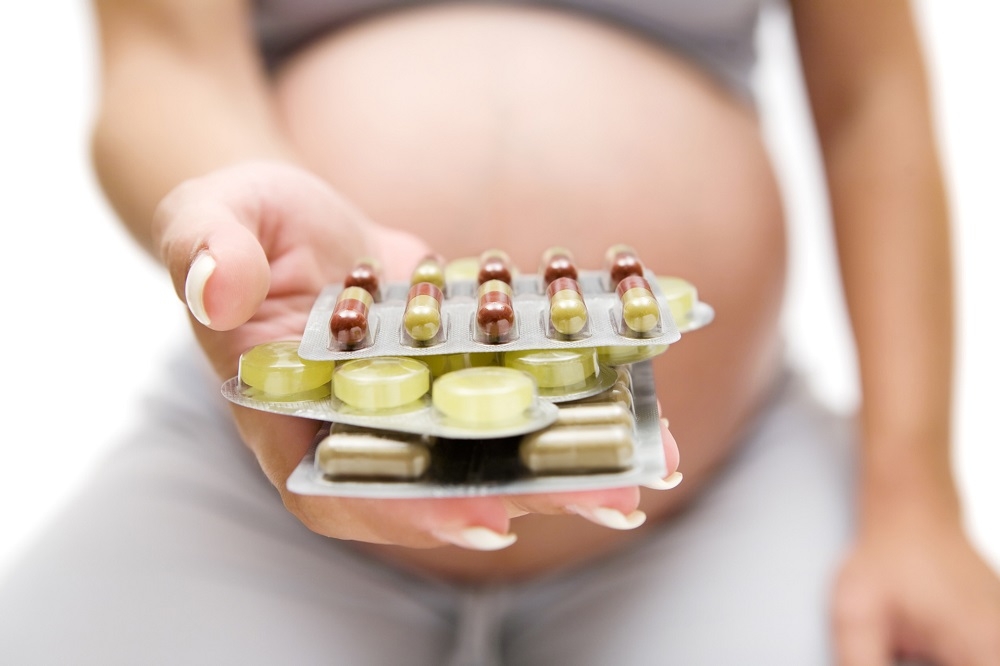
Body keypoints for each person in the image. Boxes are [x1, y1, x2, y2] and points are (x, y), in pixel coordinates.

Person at [1, 0, 998, 663]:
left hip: (725, 483)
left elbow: (871, 96)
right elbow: (161, 61)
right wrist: (236, 219)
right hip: (255, 479)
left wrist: (916, 499)